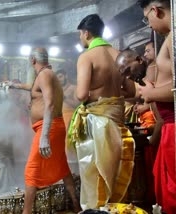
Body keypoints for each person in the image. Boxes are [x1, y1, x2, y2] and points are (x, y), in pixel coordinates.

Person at [68, 14, 136, 209]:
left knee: (94, 172)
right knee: (114, 172)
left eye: (80, 34)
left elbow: (81, 94)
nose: (80, 38)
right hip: (116, 120)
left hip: (96, 122)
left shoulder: (87, 56)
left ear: (86, 33)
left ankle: (95, 211)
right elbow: (131, 91)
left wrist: (86, 92)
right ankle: (114, 209)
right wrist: (111, 91)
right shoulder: (119, 54)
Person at [7, 48, 81, 213]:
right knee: (62, 166)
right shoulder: (45, 74)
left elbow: (50, 104)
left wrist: (44, 136)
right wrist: (15, 85)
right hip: (54, 125)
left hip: (50, 127)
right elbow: (34, 89)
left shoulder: (45, 75)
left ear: (33, 60)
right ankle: (76, 205)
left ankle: (26, 212)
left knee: (31, 169)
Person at [137, 1, 176, 213]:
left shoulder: (174, 36)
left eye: (147, 18)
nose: (149, 24)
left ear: (156, 10)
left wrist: (152, 94)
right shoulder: (170, 37)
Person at [116, 49, 164, 204]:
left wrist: (151, 139)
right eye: (124, 74)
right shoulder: (145, 78)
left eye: (128, 70)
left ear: (139, 60)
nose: (128, 77)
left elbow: (161, 119)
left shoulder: (153, 70)